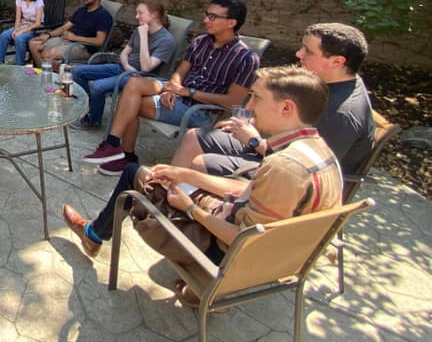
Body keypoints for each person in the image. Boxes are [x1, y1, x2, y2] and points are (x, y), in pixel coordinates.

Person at [62, 65, 342, 307]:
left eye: (257, 97)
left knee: (136, 173)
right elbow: (245, 194)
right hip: (269, 256)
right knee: (174, 177)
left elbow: (243, 240)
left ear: (286, 108)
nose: (249, 106)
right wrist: (186, 175)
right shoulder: (321, 153)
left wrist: (191, 208)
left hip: (222, 258)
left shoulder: (283, 168)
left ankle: (94, 235)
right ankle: (197, 291)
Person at [82, 0, 258, 175]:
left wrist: (187, 92)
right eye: (206, 14)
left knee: (130, 104)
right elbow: (180, 72)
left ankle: (126, 157)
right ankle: (113, 145)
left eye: (212, 17)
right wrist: (173, 87)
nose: (205, 20)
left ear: (231, 22)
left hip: (200, 110)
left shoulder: (246, 58)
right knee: (133, 84)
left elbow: (232, 101)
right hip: (179, 95)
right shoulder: (201, 41)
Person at [172, 22, 375, 176]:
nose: (298, 54)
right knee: (195, 136)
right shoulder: (323, 84)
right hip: (274, 147)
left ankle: (183, 205)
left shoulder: (341, 114)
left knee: (202, 163)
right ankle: (167, 194)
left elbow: (306, 168)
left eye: (308, 51)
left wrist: (254, 141)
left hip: (289, 176)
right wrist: (250, 123)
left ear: (337, 62)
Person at [70, 0, 176, 130]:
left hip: (140, 77)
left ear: (154, 15)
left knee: (97, 87)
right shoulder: (139, 30)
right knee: (77, 71)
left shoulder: (166, 40)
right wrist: (127, 67)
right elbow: (124, 53)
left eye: (140, 13)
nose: (136, 17)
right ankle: (88, 109)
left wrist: (144, 37)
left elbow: (146, 67)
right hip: (124, 68)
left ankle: (93, 120)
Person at [28, 0, 113, 66]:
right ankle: (42, 71)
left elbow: (99, 41)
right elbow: (64, 28)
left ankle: (49, 71)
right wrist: (48, 35)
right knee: (34, 44)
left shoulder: (103, 16)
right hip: (67, 40)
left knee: (48, 54)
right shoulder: (81, 10)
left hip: (83, 47)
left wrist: (74, 37)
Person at [0, 0, 45, 64]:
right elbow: (18, 19)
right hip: (23, 24)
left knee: (19, 38)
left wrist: (21, 32)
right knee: (4, 35)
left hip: (36, 28)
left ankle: (19, 65)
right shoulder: (19, 0)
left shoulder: (39, 1)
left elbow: (38, 23)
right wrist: (16, 29)